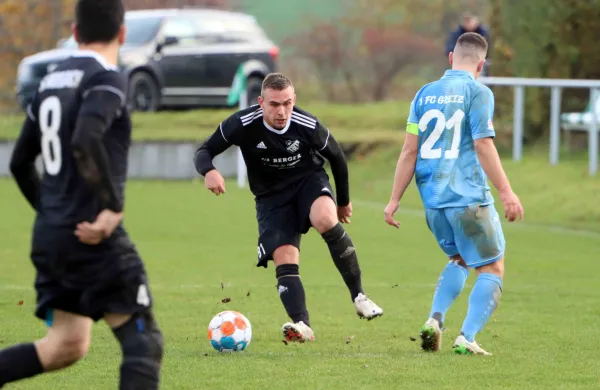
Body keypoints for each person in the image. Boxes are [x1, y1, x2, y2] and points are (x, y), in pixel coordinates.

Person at [2, 0, 163, 388]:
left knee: (65, 345)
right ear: (122, 33)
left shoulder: (50, 80)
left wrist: (54, 212)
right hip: (93, 235)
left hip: (53, 236)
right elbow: (85, 139)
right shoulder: (107, 78)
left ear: (75, 33)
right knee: (144, 344)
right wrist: (112, 207)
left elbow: (20, 163)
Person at [194, 72, 383, 342]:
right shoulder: (242, 123)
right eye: (274, 104)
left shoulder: (306, 124)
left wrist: (343, 202)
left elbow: (338, 157)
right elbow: (204, 151)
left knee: (326, 220)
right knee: (284, 257)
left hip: (308, 183)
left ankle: (359, 296)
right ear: (261, 102)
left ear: (294, 100)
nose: (281, 111)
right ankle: (302, 326)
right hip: (271, 198)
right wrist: (209, 171)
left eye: (287, 103)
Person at [384, 32, 523, 356]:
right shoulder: (478, 92)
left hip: (433, 203)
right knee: (491, 267)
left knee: (459, 259)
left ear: (450, 58)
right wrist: (506, 192)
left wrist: (393, 200)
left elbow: (409, 150)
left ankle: (435, 319)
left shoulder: (423, 94)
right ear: (482, 64)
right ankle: (467, 337)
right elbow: (482, 143)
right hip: (468, 198)